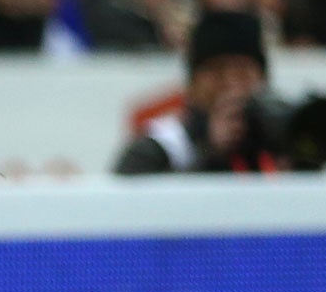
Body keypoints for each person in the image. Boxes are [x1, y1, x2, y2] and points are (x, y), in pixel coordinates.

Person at [112, 9, 271, 175]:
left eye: (243, 73)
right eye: (217, 71)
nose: (231, 85)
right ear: (192, 83)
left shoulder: (281, 138)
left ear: (263, 79)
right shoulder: (159, 148)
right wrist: (211, 155)